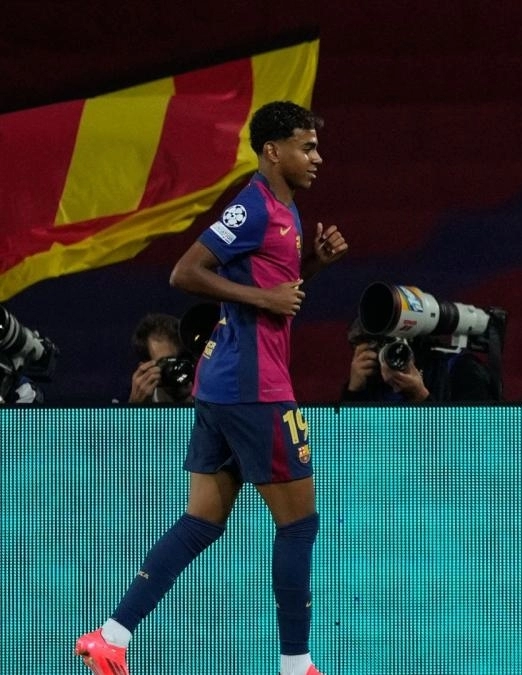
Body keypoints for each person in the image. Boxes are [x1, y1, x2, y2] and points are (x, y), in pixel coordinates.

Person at [75, 100, 349, 675]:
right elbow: (185, 272)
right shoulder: (252, 207)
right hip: (255, 386)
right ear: (273, 151)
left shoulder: (286, 211)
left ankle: (111, 635)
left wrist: (312, 268)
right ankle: (297, 666)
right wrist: (267, 299)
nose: (317, 157)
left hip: (222, 383)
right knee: (299, 523)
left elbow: (276, 291)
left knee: (203, 519)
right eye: (307, 146)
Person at [341, 331, 500, 403]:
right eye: (377, 344)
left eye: (394, 341)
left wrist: (420, 397)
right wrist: (353, 392)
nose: (388, 352)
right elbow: (344, 458)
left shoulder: (459, 370)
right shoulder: (369, 382)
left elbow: (477, 452)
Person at [127, 313, 193, 404]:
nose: (180, 368)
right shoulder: (122, 402)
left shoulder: (211, 398)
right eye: (169, 363)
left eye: (184, 358)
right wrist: (135, 409)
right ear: (146, 369)